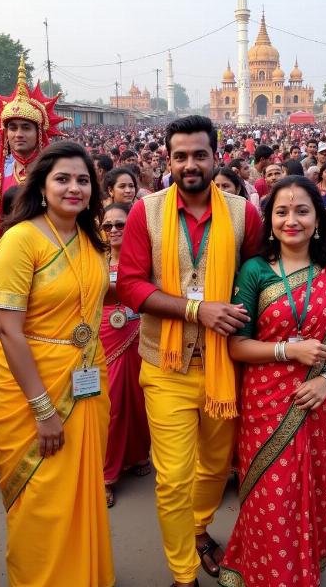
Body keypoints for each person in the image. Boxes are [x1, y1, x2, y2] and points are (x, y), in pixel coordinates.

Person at [117, 115, 263, 587]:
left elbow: (266, 275)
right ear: (168, 159)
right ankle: (183, 573)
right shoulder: (147, 212)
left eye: (200, 154)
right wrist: (197, 311)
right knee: (173, 477)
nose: (190, 164)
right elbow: (133, 287)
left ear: (216, 156)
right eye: (180, 156)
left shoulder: (244, 213)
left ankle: (198, 529)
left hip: (226, 365)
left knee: (216, 468)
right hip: (166, 364)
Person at [218, 176, 326, 587]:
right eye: (281, 212)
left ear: (319, 218)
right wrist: (288, 351)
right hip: (265, 400)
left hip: (319, 397)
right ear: (270, 220)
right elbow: (237, 347)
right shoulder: (254, 271)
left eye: (302, 211)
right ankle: (268, 572)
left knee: (310, 489)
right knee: (271, 493)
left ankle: (303, 568)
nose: (291, 220)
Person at [0, 141, 116, 586]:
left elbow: (95, 297)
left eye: (83, 180)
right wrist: (43, 410)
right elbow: (7, 329)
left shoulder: (90, 238)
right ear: (41, 186)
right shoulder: (20, 241)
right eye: (62, 178)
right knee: (41, 496)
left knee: (81, 492)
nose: (74, 188)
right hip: (33, 387)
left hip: (86, 376)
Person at [0, 55, 66, 278]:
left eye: (26, 127)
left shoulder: (59, 176)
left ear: (40, 131)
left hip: (55, 269)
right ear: (5, 133)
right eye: (13, 127)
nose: (18, 134)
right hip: (10, 272)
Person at [99, 203, 151, 508]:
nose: (115, 230)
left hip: (139, 332)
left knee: (138, 399)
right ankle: (106, 474)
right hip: (105, 333)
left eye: (121, 224)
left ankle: (135, 455)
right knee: (112, 403)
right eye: (109, 226)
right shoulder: (94, 259)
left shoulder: (141, 258)